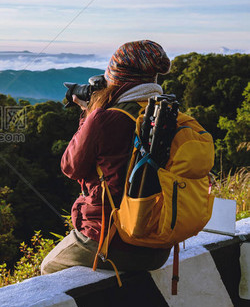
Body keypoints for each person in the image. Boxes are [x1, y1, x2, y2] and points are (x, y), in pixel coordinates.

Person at [41, 40, 172, 275]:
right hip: (159, 244)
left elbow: (71, 167)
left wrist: (88, 113)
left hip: (112, 241)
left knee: (49, 267)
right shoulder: (164, 114)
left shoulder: (105, 119)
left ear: (117, 76)